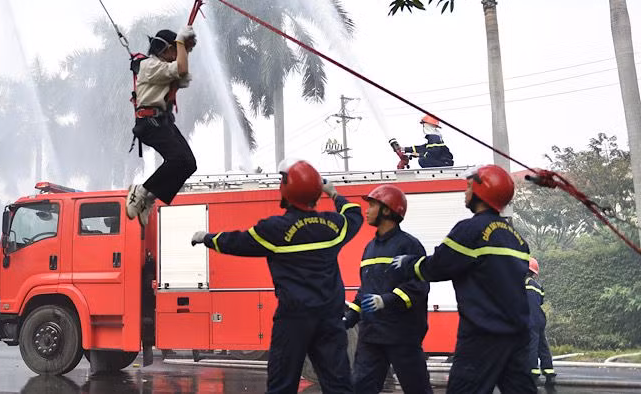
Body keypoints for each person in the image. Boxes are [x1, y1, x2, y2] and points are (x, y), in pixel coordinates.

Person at [190, 160, 363, 394]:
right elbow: (354, 215)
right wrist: (334, 194)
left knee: (282, 384)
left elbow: (236, 242)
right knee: (339, 385)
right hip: (330, 319)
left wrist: (206, 238)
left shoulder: (274, 229)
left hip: (294, 320)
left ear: (286, 189)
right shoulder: (333, 226)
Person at [391, 164, 536, 393]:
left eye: (469, 187)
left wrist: (409, 264)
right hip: (517, 333)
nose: (465, 193)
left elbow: (439, 266)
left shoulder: (470, 230)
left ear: (481, 192)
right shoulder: (516, 238)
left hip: (483, 335)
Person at [344, 184, 432, 394]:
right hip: (371, 335)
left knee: (417, 388)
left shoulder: (409, 246)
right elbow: (365, 290)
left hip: (402, 335)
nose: (366, 210)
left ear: (386, 210)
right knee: (361, 388)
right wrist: (350, 317)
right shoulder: (369, 248)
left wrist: (386, 300)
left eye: (372, 205)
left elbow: (419, 287)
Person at [126, 26, 198, 226]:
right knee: (176, 159)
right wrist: (182, 43)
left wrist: (185, 48)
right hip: (150, 122)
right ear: (165, 49)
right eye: (174, 50)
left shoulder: (165, 68)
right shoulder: (150, 66)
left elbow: (183, 76)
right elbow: (181, 70)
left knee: (189, 163)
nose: (177, 55)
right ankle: (140, 190)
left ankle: (150, 197)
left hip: (162, 121)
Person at [526, 257, 555, 386]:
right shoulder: (538, 286)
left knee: (532, 345)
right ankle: (549, 372)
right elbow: (541, 300)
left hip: (529, 319)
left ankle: (533, 373)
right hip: (540, 319)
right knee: (542, 345)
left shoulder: (520, 284)